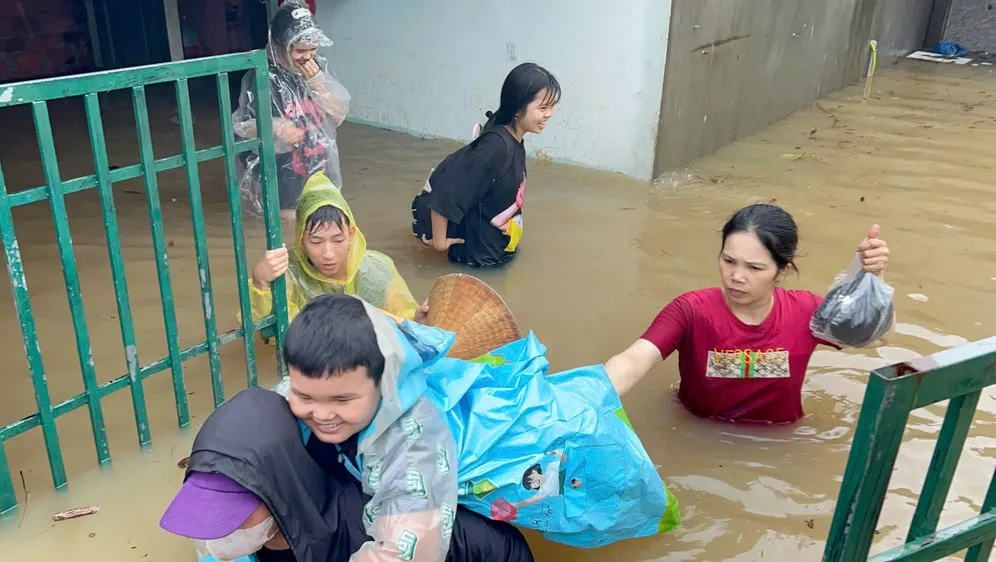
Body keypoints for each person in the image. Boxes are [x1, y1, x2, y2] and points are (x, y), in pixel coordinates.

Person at [275, 293, 680, 554]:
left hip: (564, 440)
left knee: (602, 457)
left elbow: (405, 550)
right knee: (595, 387)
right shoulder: (336, 378)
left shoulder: (414, 444)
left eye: (342, 400)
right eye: (304, 396)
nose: (321, 413)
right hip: (520, 410)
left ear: (384, 384)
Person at [160, 387, 535, 562]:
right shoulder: (271, 537)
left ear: (280, 493)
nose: (215, 535)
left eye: (232, 516)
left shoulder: (364, 540)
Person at [603, 204, 893, 425]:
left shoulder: (808, 313)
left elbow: (879, 340)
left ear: (783, 271)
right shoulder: (691, 311)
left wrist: (873, 278)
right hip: (700, 430)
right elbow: (632, 361)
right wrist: (584, 400)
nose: (736, 277)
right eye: (728, 261)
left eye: (754, 268)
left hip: (779, 442)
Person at [412, 63, 561, 268]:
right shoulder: (496, 147)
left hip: (496, 254)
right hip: (476, 264)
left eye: (552, 106)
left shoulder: (514, 140)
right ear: (518, 109)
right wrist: (439, 243)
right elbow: (446, 192)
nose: (550, 113)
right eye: (543, 107)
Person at [249, 172, 427, 323]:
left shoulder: (378, 269)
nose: (328, 254)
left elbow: (402, 319)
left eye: (338, 240)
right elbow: (268, 331)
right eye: (316, 242)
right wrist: (260, 283)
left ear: (351, 235)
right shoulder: (287, 273)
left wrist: (417, 318)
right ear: (301, 241)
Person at [233, 0, 350, 221]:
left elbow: (338, 116)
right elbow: (243, 128)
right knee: (291, 223)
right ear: (280, 45)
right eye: (300, 50)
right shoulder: (261, 76)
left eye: (313, 49)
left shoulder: (315, 69)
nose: (308, 57)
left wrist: (317, 82)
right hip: (283, 168)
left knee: (322, 218)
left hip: (316, 160)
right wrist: (277, 126)